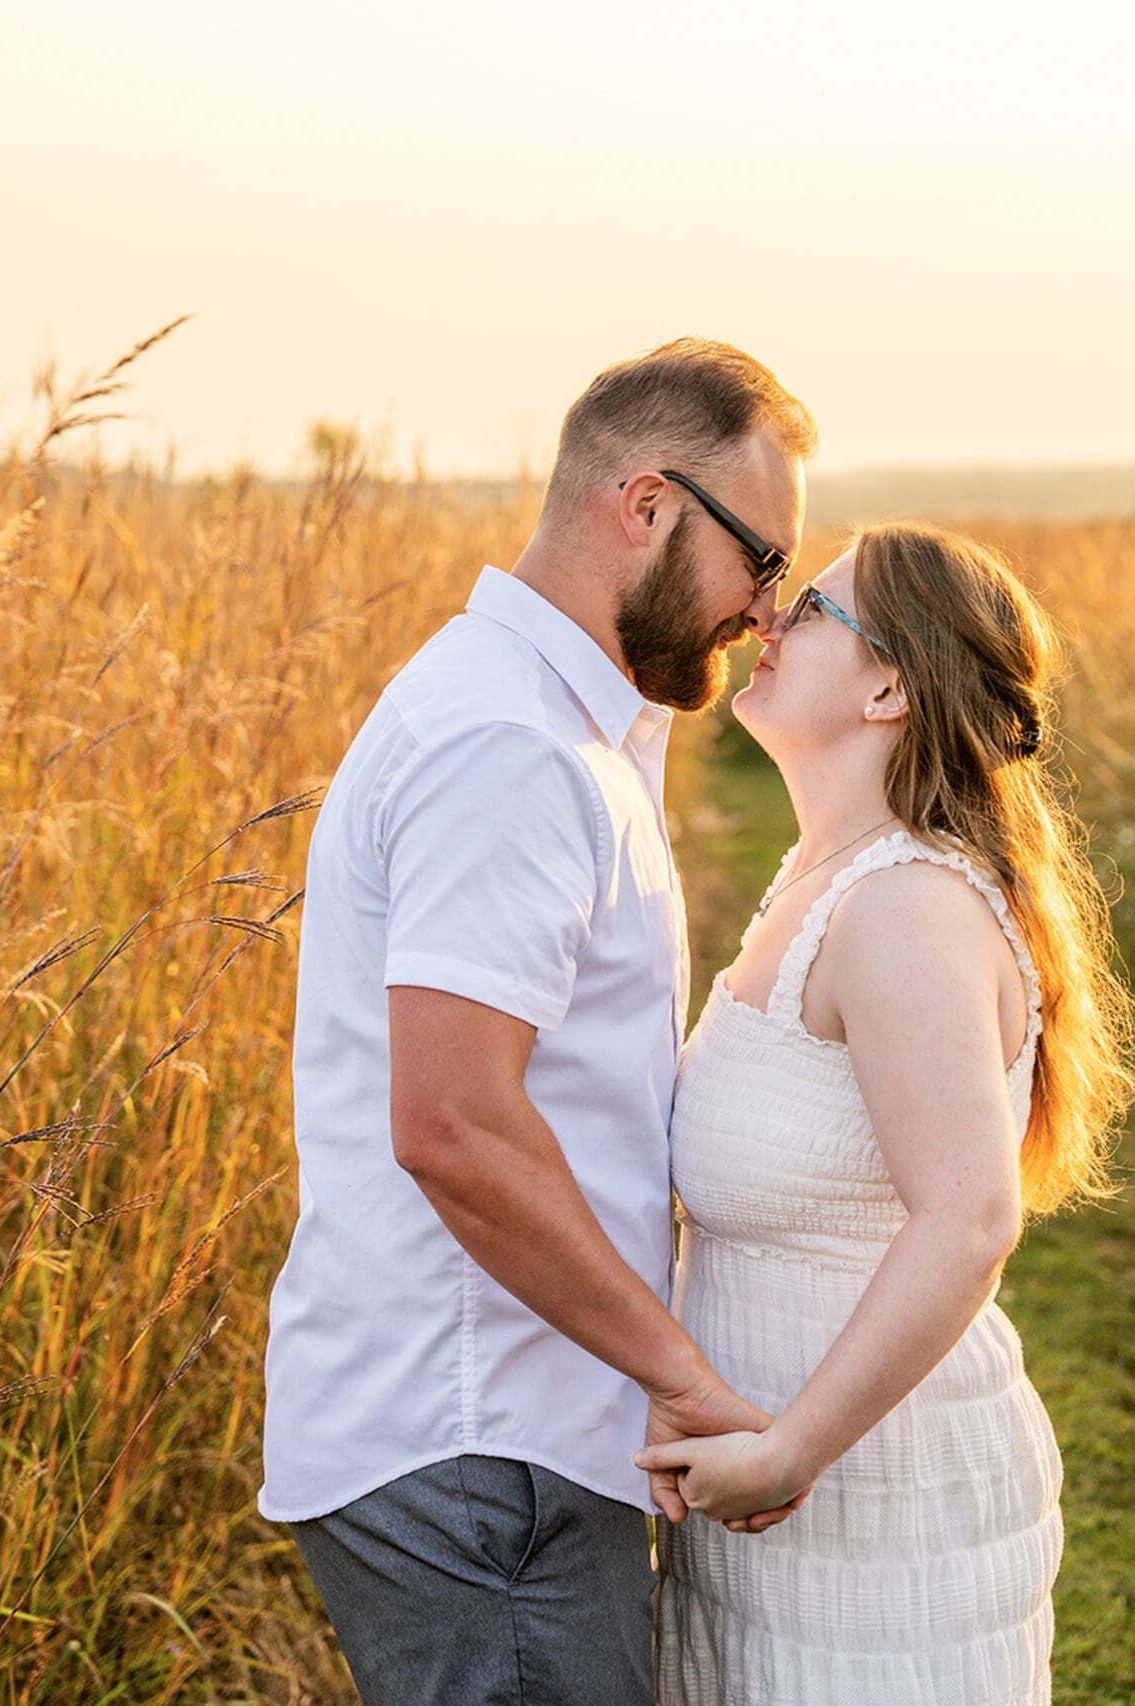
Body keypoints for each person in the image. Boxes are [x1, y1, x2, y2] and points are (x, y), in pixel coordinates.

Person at [258, 339, 816, 1704]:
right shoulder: (505, 743)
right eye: (761, 558)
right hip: (472, 1452)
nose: (764, 611)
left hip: (512, 1430)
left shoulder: (558, 729)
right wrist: (676, 1370)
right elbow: (454, 1123)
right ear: (647, 504)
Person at [635, 524, 1135, 1704]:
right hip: (773, 1497)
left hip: (874, 1492)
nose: (765, 618)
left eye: (808, 608)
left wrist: (788, 1448)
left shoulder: (904, 906)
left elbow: (970, 1215)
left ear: (889, 686)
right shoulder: (822, 877)